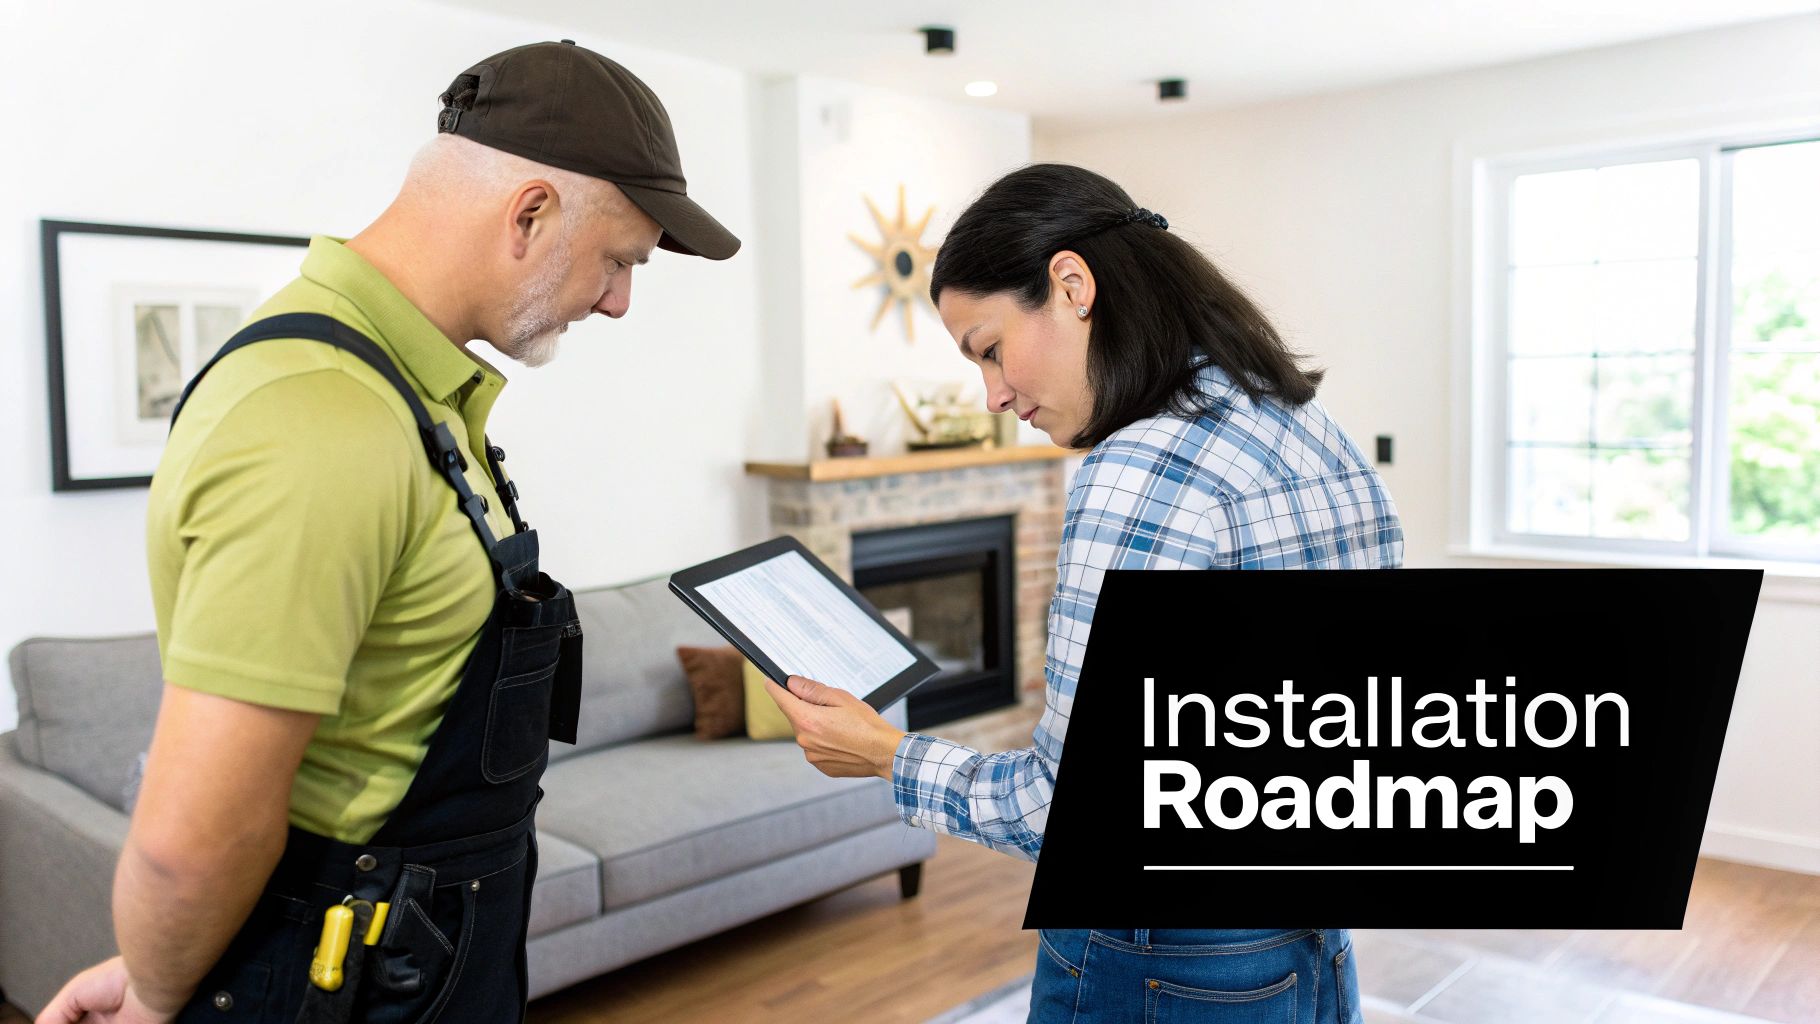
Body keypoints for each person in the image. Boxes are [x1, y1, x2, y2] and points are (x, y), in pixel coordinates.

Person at [37, 40, 738, 1024]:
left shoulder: (418, 398)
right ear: (529, 213)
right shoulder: (319, 416)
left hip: (434, 961)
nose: (619, 299)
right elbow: (191, 835)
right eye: (620, 259)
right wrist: (155, 995)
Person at [765, 163, 1400, 1023]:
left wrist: (884, 753)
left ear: (1072, 286)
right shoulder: (1300, 425)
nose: (991, 395)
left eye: (989, 349)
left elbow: (1062, 811)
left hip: (1161, 960)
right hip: (1306, 938)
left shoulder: (1139, 470)